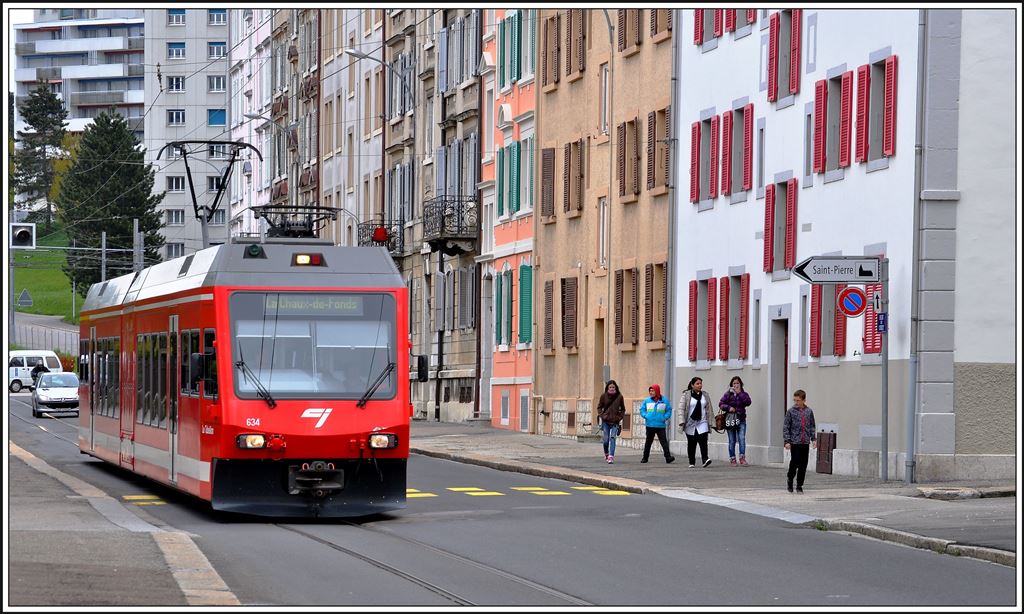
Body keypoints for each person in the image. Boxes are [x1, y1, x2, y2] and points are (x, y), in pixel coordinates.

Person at [783, 389, 817, 493]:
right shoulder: (791, 412)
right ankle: (790, 479)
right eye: (795, 400)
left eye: (798, 400)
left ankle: (799, 485)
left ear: (804, 400)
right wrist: (787, 441)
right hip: (795, 441)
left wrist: (813, 439)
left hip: (805, 442)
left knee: (803, 464)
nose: (796, 403)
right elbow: (786, 427)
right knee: (795, 462)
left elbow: (812, 426)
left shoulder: (809, 411)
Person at [678, 377, 714, 468]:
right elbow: (681, 408)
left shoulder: (705, 395)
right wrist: (681, 421)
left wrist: (711, 421)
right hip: (690, 422)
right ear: (692, 385)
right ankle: (691, 462)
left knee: (703, 440)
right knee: (691, 443)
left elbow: (709, 409)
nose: (700, 385)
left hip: (702, 421)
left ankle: (705, 459)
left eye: (701, 383)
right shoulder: (686, 395)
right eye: (697, 384)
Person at [720, 376, 752, 466]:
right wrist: (729, 407)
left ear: (741, 384)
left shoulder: (744, 394)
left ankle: (742, 457)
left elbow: (748, 402)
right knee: (732, 440)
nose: (736, 385)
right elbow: (721, 404)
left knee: (742, 438)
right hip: (730, 420)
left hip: (741, 419)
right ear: (731, 385)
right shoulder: (728, 394)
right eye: (734, 383)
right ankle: (732, 458)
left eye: (737, 383)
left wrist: (739, 394)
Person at [639, 384, 675, 464]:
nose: (651, 392)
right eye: (650, 391)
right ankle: (645, 458)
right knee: (648, 442)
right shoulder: (647, 400)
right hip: (650, 425)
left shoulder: (664, 400)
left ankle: (668, 457)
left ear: (657, 391)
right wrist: (646, 416)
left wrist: (664, 417)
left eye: (653, 391)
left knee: (664, 442)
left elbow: (669, 410)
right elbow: (642, 410)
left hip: (660, 425)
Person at [596, 380, 626, 464]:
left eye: (613, 387)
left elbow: (623, 409)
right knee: (606, 440)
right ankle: (606, 453)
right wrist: (602, 415)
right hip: (606, 421)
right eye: (610, 387)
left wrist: (619, 417)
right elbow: (599, 407)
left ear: (616, 387)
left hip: (615, 422)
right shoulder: (603, 396)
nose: (612, 388)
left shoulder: (619, 396)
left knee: (612, 438)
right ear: (607, 388)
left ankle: (611, 456)